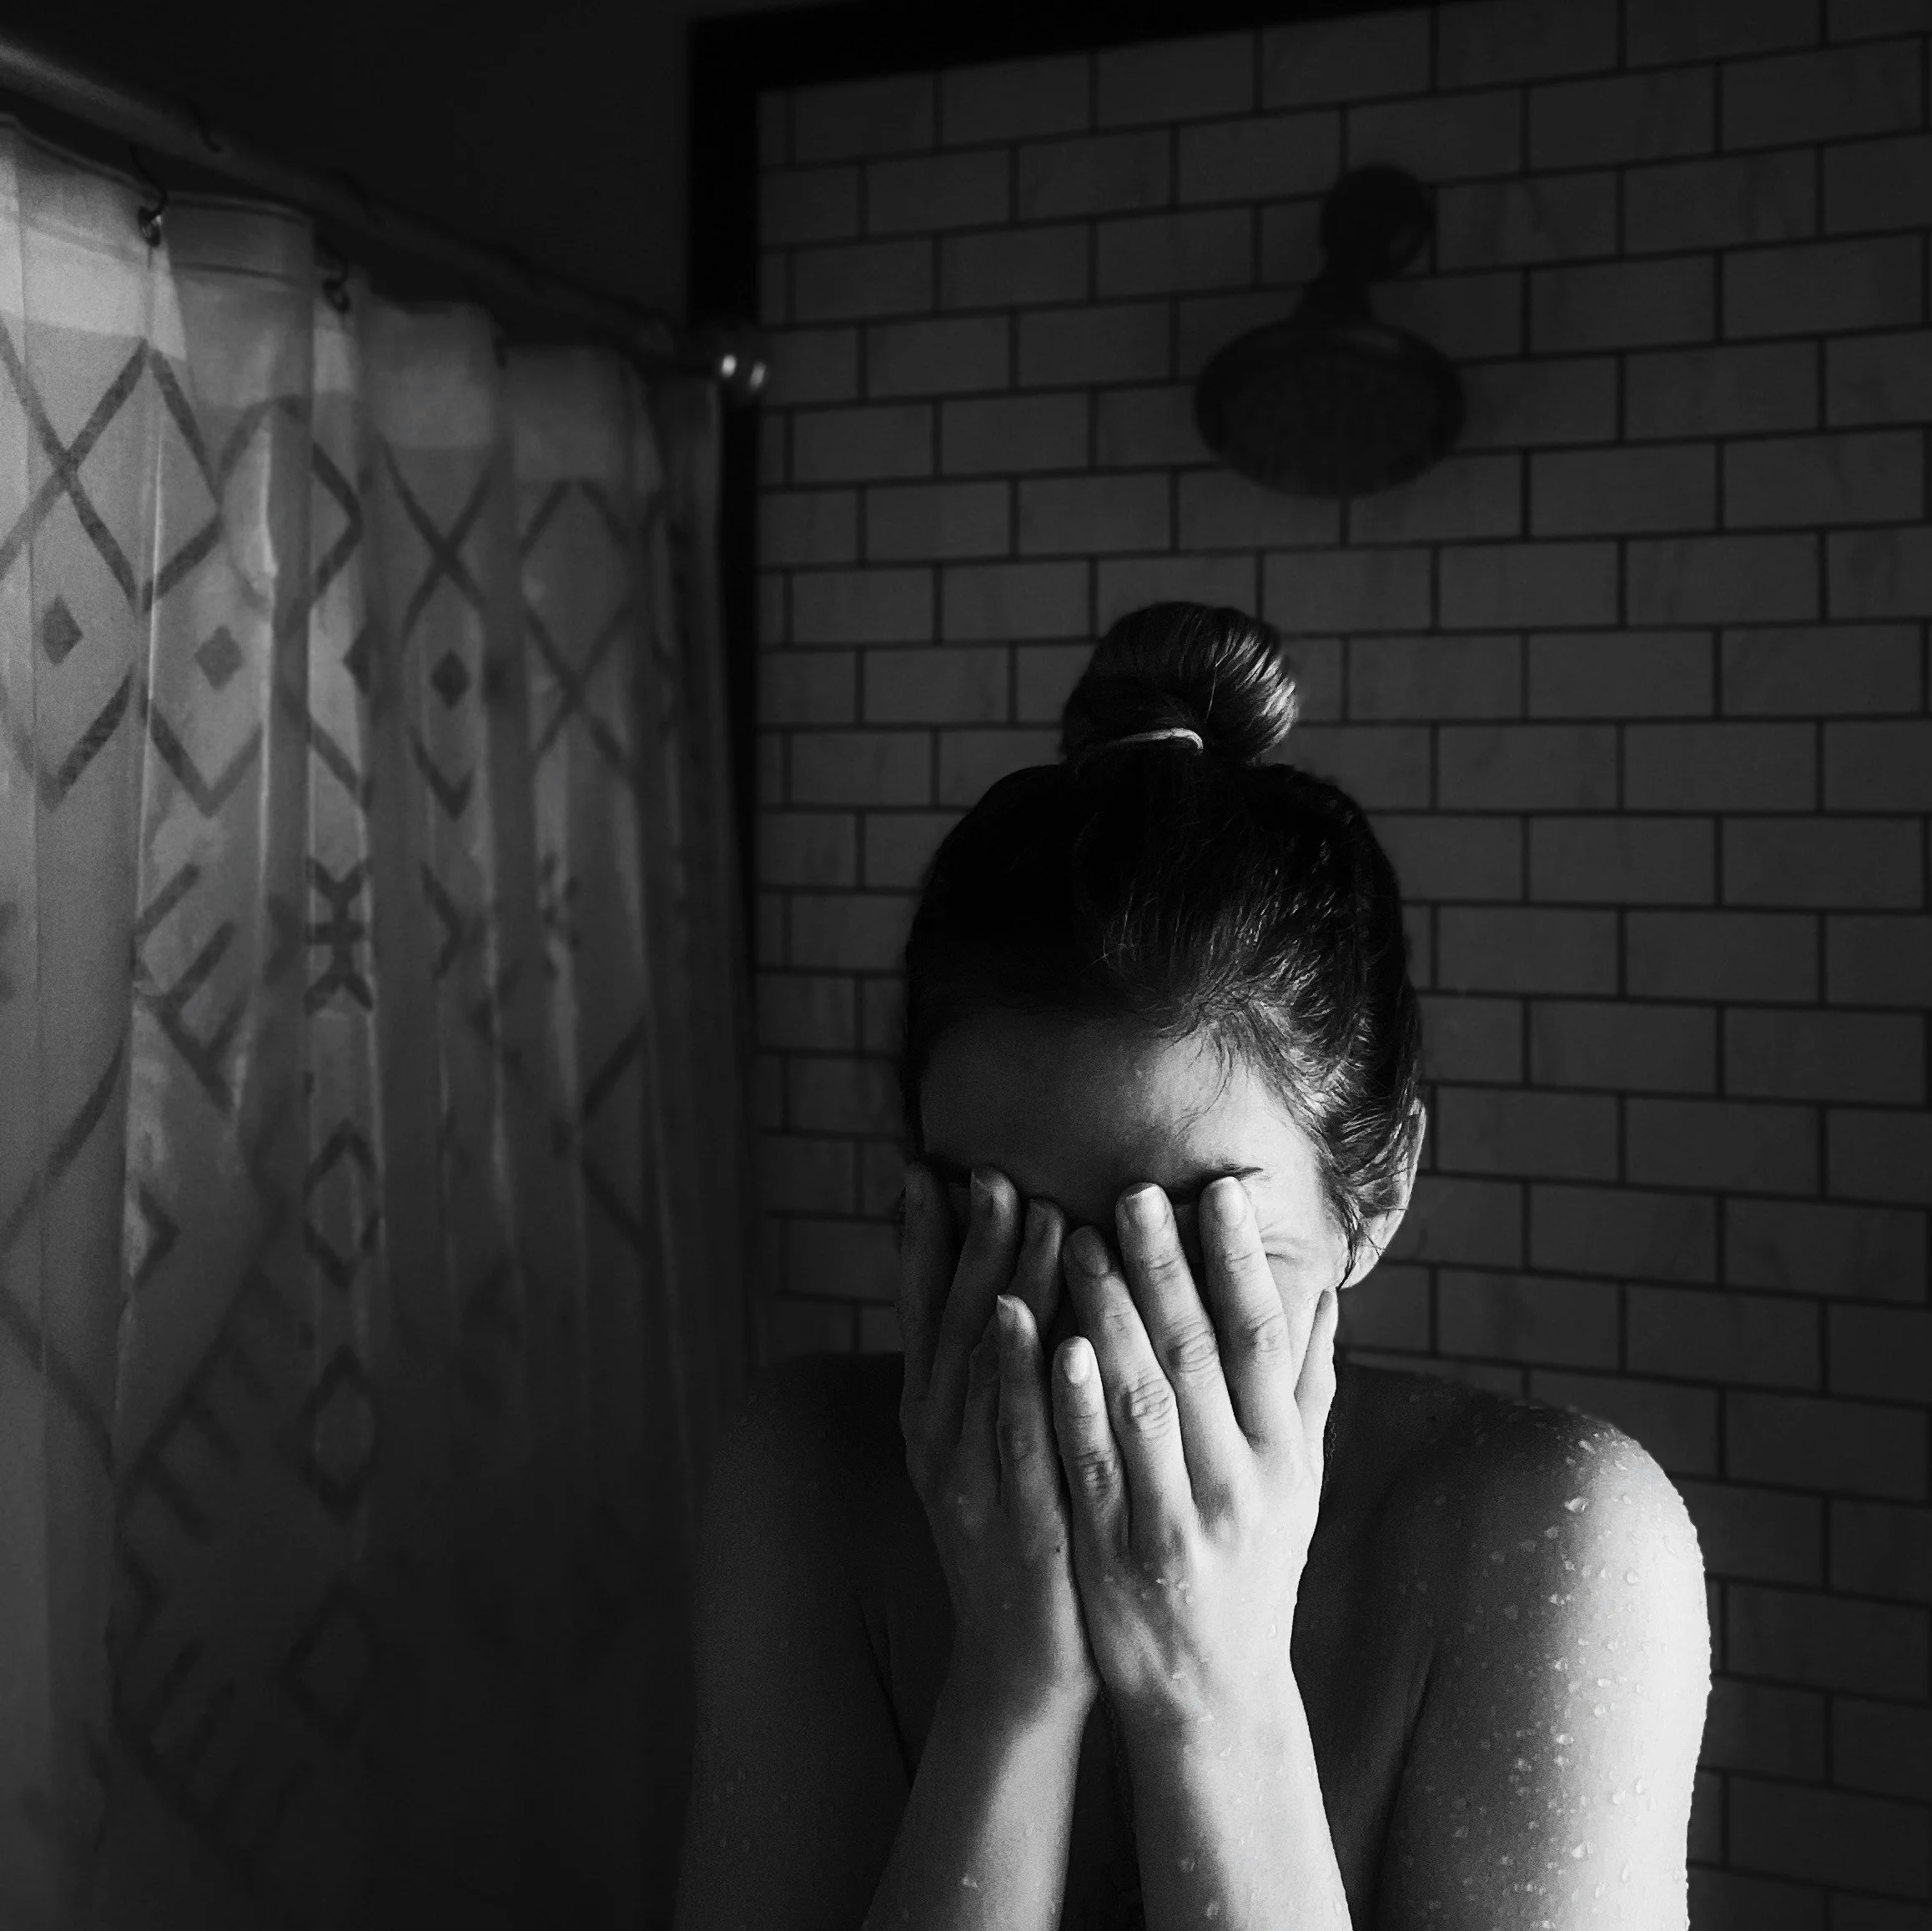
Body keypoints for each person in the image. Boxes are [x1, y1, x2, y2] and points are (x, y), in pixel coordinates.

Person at [673, 604, 1709, 1931]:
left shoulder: (1557, 1544)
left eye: (1185, 1251)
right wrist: (1011, 1690)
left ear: (1377, 1194)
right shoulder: (803, 1480)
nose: (1089, 1351)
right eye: (1007, 1230)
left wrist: (1212, 1694)